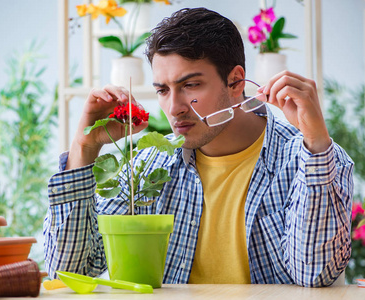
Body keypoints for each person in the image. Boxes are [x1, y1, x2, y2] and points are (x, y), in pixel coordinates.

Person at [43, 7, 354, 287]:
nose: (174, 107)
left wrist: (315, 144)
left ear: (235, 83)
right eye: (163, 90)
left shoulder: (310, 158)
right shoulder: (150, 167)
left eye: (190, 85)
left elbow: (315, 274)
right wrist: (83, 149)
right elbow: (69, 271)